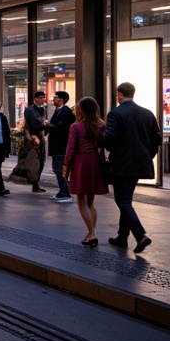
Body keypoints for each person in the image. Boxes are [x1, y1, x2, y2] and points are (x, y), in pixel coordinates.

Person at [102, 82, 160, 254]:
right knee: (127, 199)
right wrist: (148, 155)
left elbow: (109, 138)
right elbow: (156, 138)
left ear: (119, 94)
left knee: (122, 200)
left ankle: (140, 235)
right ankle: (122, 237)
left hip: (122, 163)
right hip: (140, 162)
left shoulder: (116, 113)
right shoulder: (147, 113)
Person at [64, 97, 108, 248]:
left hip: (80, 163)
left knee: (81, 201)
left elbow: (70, 149)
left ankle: (92, 234)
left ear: (80, 110)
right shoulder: (102, 125)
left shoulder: (75, 127)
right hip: (95, 162)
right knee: (91, 202)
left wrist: (66, 167)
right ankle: (90, 234)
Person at [45, 91, 76, 202]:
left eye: (56, 98)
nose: (53, 99)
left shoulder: (66, 112)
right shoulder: (58, 111)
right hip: (56, 146)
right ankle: (63, 190)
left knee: (59, 169)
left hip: (61, 146)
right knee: (57, 169)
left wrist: (50, 126)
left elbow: (61, 127)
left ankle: (65, 191)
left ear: (61, 100)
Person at [24, 90, 50, 193]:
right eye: (41, 97)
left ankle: (36, 182)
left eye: (44, 97)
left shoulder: (43, 110)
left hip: (41, 138)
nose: (43, 99)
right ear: (35, 99)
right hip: (33, 139)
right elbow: (32, 125)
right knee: (34, 161)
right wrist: (44, 125)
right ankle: (34, 182)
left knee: (41, 160)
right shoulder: (30, 110)